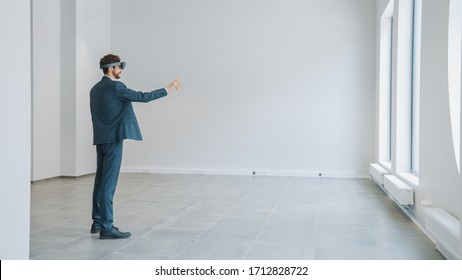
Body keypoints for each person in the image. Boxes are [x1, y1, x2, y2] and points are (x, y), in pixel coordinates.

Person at [89, 54, 181, 239]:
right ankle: (107, 227)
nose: (121, 69)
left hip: (101, 139)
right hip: (114, 140)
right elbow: (143, 97)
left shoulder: (94, 89)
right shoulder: (116, 87)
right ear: (111, 68)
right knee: (109, 184)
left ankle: (97, 222)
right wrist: (168, 89)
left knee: (100, 181)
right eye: (120, 66)